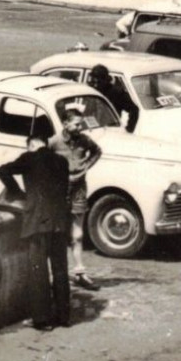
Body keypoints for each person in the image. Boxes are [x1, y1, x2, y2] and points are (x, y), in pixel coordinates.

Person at [0, 127, 73, 330]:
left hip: (37, 220)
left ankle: (42, 319)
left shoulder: (29, 157)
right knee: (60, 268)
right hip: (60, 222)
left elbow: (3, 170)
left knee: (38, 270)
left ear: (32, 144)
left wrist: (17, 192)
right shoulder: (62, 162)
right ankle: (63, 316)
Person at [55, 99, 104, 292]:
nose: (79, 127)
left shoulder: (84, 141)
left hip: (79, 189)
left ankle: (79, 271)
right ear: (65, 124)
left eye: (80, 124)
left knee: (78, 233)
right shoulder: (54, 142)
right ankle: (57, 272)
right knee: (57, 231)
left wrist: (85, 167)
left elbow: (97, 152)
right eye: (76, 124)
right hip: (60, 191)